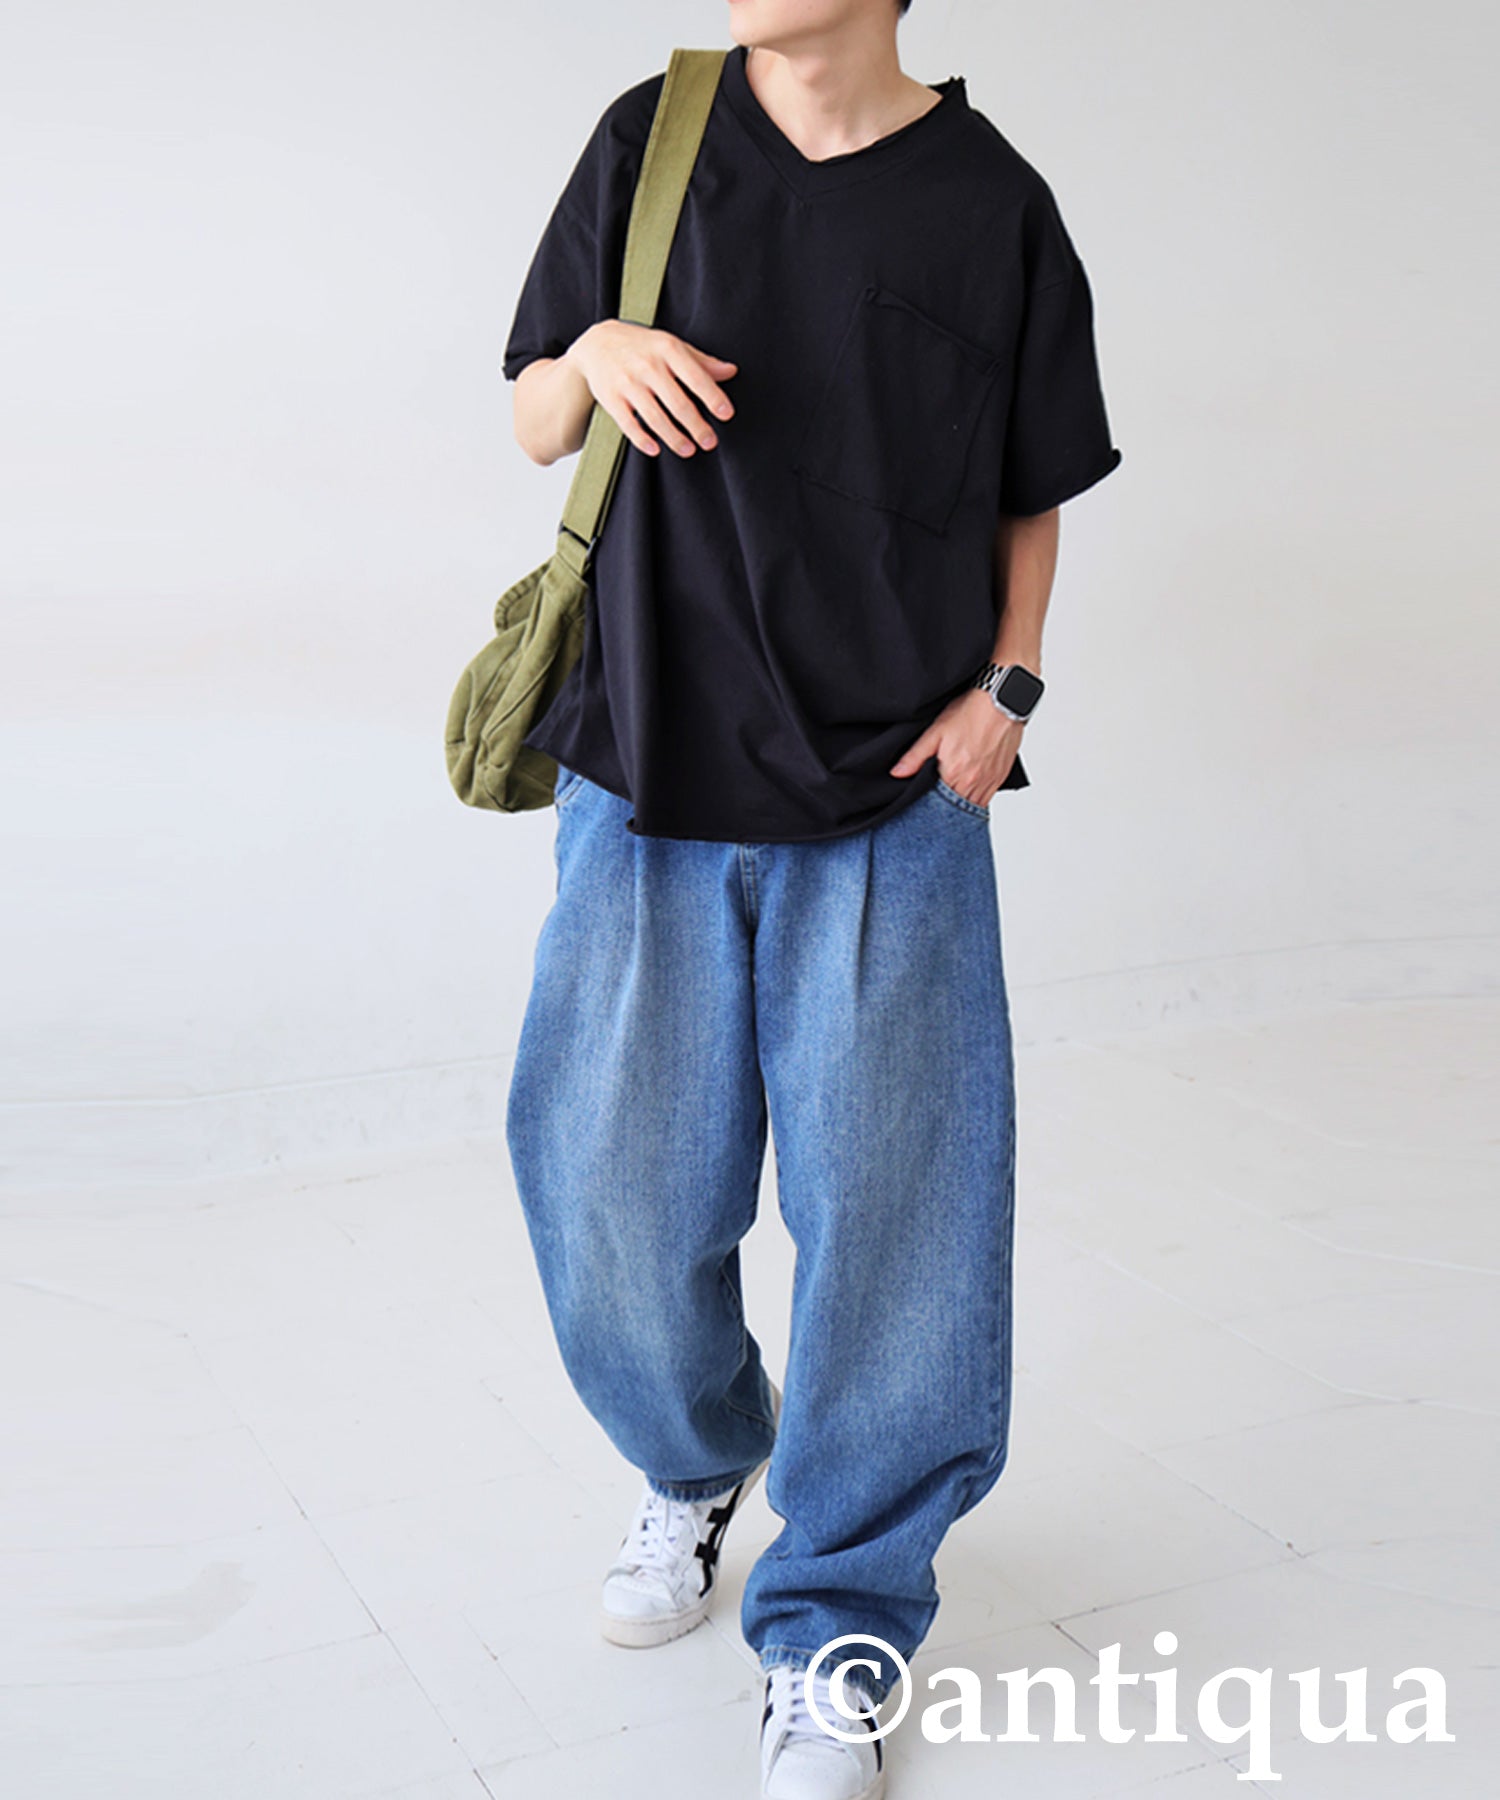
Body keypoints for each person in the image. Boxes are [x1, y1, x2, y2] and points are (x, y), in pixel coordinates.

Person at [500, 4, 1121, 1794]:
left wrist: (1009, 690)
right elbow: (534, 417)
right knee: (611, 1200)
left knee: (902, 1239)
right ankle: (699, 1461)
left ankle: (841, 1614)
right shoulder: (655, 133)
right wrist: (597, 350)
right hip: (644, 769)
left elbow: (1031, 485)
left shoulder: (994, 201)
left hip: (895, 796)